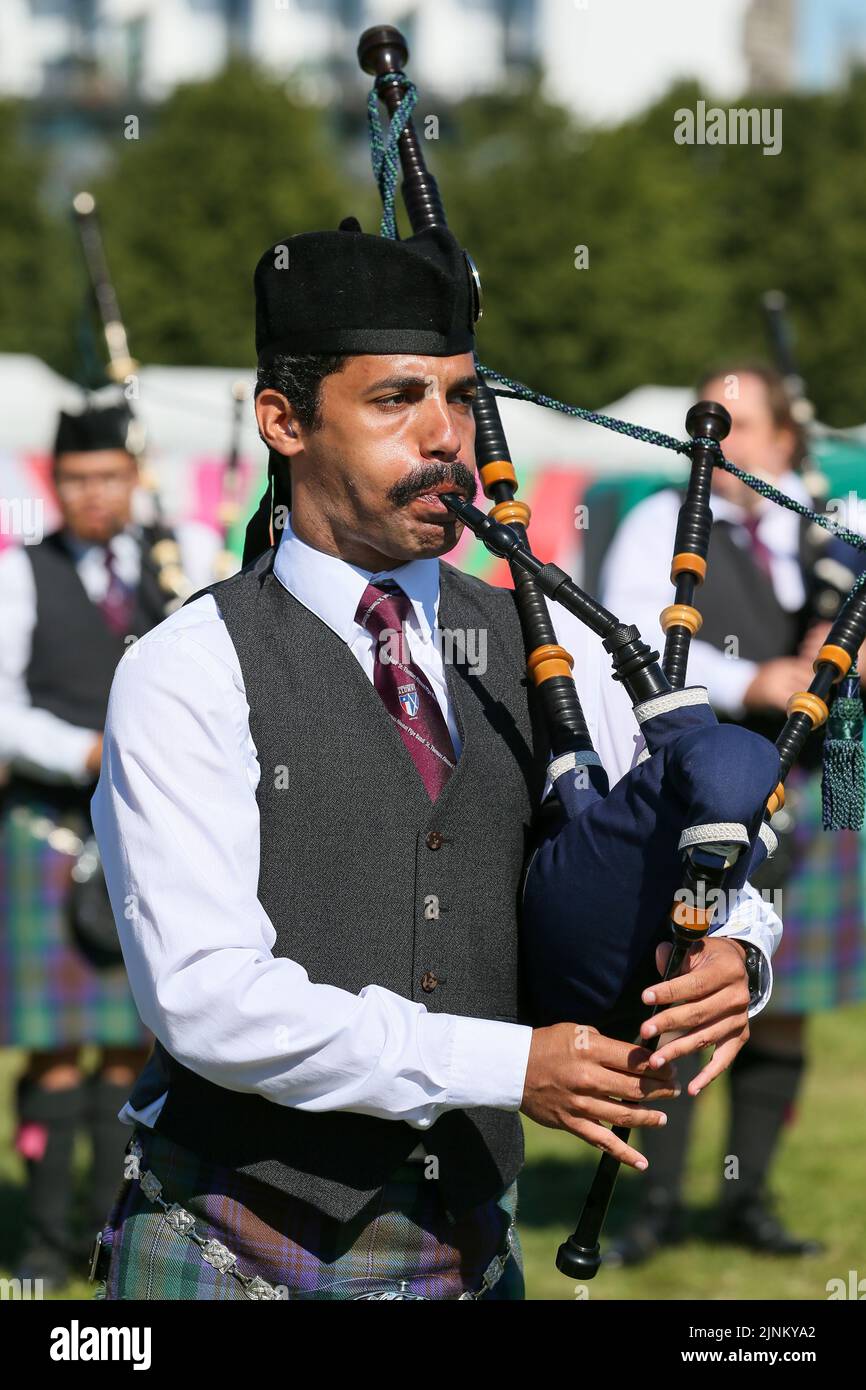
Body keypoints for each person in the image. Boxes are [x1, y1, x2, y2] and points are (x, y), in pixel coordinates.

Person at [90, 221, 780, 1301]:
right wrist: (508, 1065)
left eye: (460, 398)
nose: (444, 436)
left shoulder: (546, 643)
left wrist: (736, 947)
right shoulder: (188, 667)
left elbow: (678, 814)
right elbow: (205, 995)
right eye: (393, 400)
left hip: (463, 1247)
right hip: (227, 1240)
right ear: (282, 420)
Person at [599, 361, 865, 1262]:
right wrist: (756, 676)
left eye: (740, 426)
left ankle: (748, 1199)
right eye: (705, 422)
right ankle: (653, 1206)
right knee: (690, 989)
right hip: (715, 785)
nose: (717, 441)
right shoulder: (656, 520)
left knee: (790, 1010)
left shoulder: (829, 523)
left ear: (787, 441)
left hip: (828, 785)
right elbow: (639, 639)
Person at [0, 400, 222, 1289]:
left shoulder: (177, 563)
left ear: (137, 479)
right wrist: (89, 748)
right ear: (57, 485)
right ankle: (45, 1243)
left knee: (139, 1048)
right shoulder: (23, 573)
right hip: (48, 826)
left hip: (145, 830)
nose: (94, 495)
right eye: (77, 480)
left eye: (110, 477)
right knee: (55, 1051)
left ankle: (109, 1233)